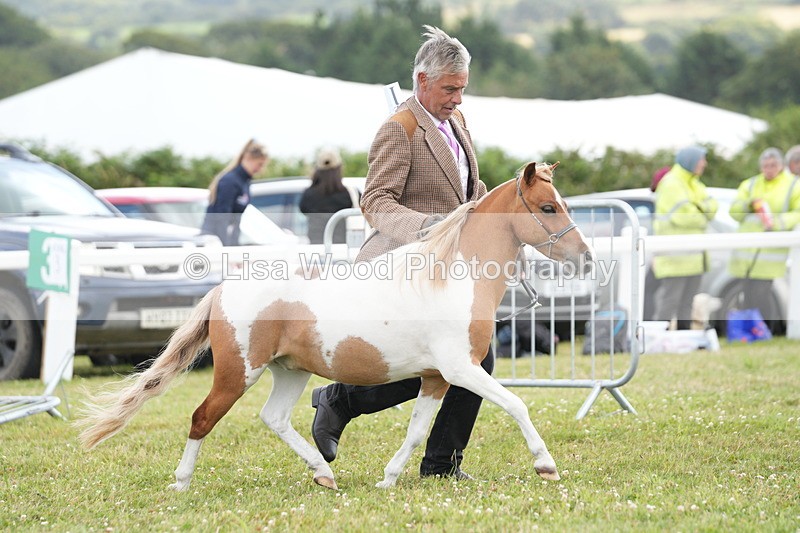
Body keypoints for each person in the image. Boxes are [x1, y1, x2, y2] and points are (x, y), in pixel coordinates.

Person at [310, 25, 489, 479]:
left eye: (463, 89)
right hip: (403, 264)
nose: (459, 99)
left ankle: (440, 464)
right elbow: (376, 201)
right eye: (450, 89)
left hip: (450, 267)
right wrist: (427, 229)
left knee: (474, 357)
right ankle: (339, 399)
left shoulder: (458, 123)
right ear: (422, 81)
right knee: (457, 360)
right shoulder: (399, 129)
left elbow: (467, 189)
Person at [728, 147, 800, 331]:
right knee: (747, 296)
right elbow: (734, 212)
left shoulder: (793, 185)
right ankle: (748, 332)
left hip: (770, 255)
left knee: (762, 296)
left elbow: (797, 213)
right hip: (746, 255)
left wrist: (775, 223)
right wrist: (748, 205)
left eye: (773, 165)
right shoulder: (750, 184)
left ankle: (763, 332)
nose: (769, 169)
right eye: (765, 165)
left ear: (781, 166)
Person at [652, 145, 718, 330]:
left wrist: (699, 208)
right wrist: (703, 210)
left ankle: (683, 340)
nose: (704, 164)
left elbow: (713, 207)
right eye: (701, 160)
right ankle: (658, 340)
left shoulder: (695, 182)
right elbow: (684, 217)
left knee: (687, 304)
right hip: (675, 258)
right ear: (690, 160)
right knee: (669, 303)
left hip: (694, 258)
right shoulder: (671, 182)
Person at [201, 139, 268, 246]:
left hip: (228, 243)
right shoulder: (230, 181)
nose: (260, 169)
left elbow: (235, 222)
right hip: (214, 243)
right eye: (259, 164)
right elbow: (221, 218)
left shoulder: (245, 182)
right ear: (248, 158)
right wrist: (227, 251)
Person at [299, 148, 356, 244]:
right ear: (339, 168)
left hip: (315, 249)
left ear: (317, 170)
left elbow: (303, 210)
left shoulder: (308, 194)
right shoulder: (349, 194)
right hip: (342, 249)